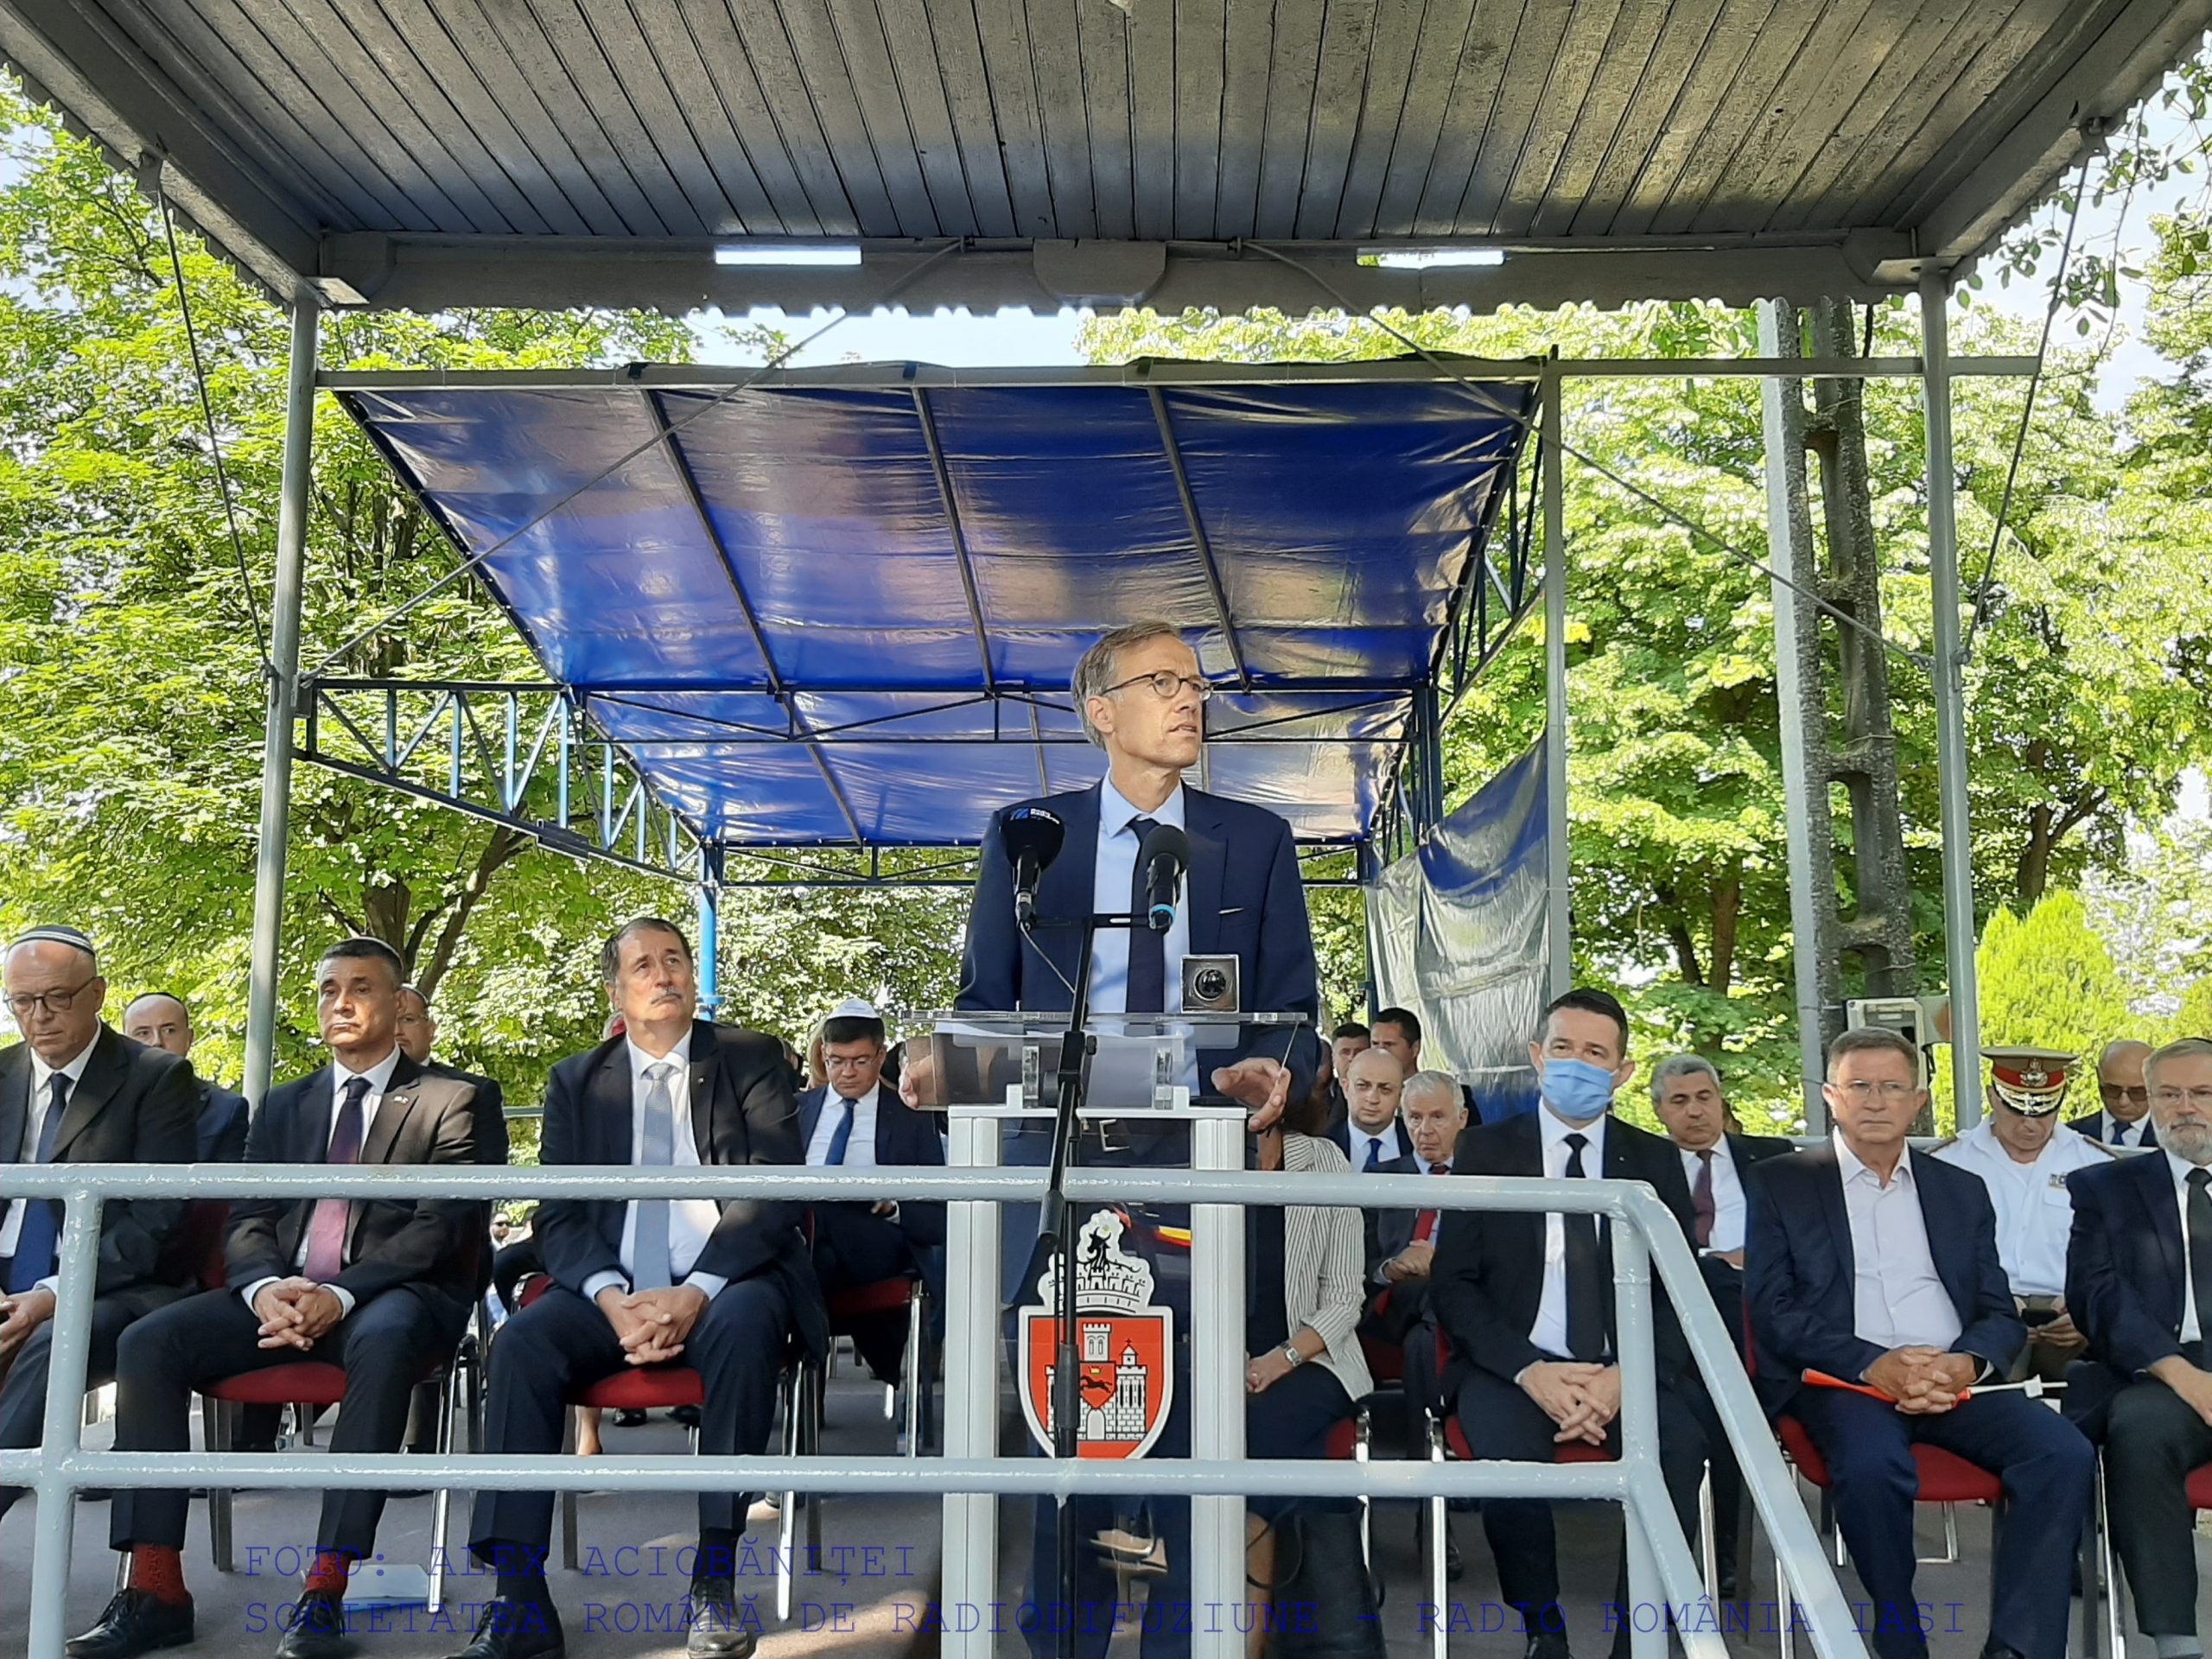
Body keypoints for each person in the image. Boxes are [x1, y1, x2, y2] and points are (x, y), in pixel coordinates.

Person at [950, 620, 1321, 1659]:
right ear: (1101, 712)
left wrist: (1273, 1069)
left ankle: (1184, 1641)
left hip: (1198, 1168)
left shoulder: (1255, 840)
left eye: (1197, 684)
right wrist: (953, 1066)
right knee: (1061, 1415)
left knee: (1196, 1416)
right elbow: (982, 1007)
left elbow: (1293, 1011)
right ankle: (1060, 1639)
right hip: (1060, 1166)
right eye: (1163, 682)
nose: (1191, 699)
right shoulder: (1030, 838)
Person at [76, 936, 499, 1659]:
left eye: (361, 988)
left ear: (399, 1003)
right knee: (148, 1341)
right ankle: (155, 1589)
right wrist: (266, 1288)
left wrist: (339, 1294)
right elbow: (250, 1215)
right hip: (283, 1295)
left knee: (385, 1338)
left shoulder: (456, 1098)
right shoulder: (283, 1104)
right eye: (330, 989)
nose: (342, 1003)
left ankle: (325, 1591)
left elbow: (440, 1227)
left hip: (394, 1295)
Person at [459, 918, 826, 1659]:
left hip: (726, 1280)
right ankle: (519, 1599)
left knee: (750, 1322)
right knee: (522, 1343)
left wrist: (697, 1290)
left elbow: (775, 1191)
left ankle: (714, 1578)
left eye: (675, 960)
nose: (664, 975)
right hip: (612, 1293)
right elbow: (559, 1213)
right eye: (643, 966)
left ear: (693, 976)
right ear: (615, 991)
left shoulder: (749, 1058)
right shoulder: (576, 1080)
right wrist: (609, 1298)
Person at [1745, 1026, 2094, 1659]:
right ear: (1830, 1096)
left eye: (1892, 1087)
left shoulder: (1958, 1188)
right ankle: (1899, 1630)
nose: (1876, 1100)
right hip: (1844, 1379)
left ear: (1920, 1100)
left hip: (1952, 1379)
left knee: (2061, 1452)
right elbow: (1773, 1311)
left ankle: (2019, 1647)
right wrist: (1874, 1364)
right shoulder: (1782, 1183)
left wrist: (1966, 1363)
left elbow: (1996, 1310)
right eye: (1859, 1086)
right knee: (1872, 1466)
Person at [1429, 989, 1707, 1659]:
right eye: (1563, 1048)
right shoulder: (1485, 1151)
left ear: (1623, 1071)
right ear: (1537, 1055)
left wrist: (1624, 1376)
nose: (1577, 1064)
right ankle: (1543, 1630)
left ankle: (1637, 1636)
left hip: (1625, 1368)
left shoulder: (1655, 1160)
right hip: (1514, 1365)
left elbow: (1679, 1292)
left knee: (1679, 1448)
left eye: (1595, 1052)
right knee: (1507, 1468)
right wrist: (1530, 1371)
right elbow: (1454, 1286)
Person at [0, 928, 198, 1526]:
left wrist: (51, 1295)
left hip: (111, 1286)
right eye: (22, 1002)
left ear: (97, 994)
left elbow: (155, 1222)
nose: (39, 1017)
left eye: (57, 998)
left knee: (52, 1341)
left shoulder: (157, 1078)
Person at [2064, 1036, 2212, 1659]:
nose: (2185, 1107)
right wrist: (2181, 1374)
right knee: (2140, 1432)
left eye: (2202, 1093)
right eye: (2169, 1094)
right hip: (2159, 1375)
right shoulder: (2106, 1189)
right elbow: (2097, 1296)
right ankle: (2177, 1643)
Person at [1647, 1052, 1790, 1600]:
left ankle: (1724, 1548)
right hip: (1676, 1316)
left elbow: (1805, 1243)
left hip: (1758, 1312)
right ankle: (1720, 1548)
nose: (1695, 1111)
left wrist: (1755, 1262)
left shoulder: (1773, 1160)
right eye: (1680, 1101)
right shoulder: (1643, 1168)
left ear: (1721, 1101)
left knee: (1722, 1401)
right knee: (1723, 1406)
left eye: (1704, 1098)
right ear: (1660, 1112)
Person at [1243, 1082, 1377, 1656]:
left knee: (1255, 1436)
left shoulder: (1324, 1160)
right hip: (1215, 1360)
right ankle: (1330, 1632)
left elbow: (1346, 1298)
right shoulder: (1192, 1158)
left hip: (1316, 1356)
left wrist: (1280, 1359)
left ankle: (1249, 1640)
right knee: (1252, 1441)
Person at [1932, 1047, 2110, 1382]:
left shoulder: (2096, 1163)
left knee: (2090, 1383)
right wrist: (1986, 1302)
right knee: (1992, 1383)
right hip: (1982, 1311)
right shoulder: (1948, 1163)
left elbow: (2120, 1253)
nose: (2030, 1123)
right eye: (2016, 1109)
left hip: (2070, 1310)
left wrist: (2087, 1307)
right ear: (1992, 1097)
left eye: (2043, 1111)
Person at [795, 997, 944, 1381]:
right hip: (807, 1242)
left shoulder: (910, 1118)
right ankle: (826, 1356)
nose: (847, 1073)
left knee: (811, 1227)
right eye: (836, 1061)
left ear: (880, 1056)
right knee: (813, 1248)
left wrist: (894, 1208)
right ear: (823, 1055)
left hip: (879, 1241)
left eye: (860, 1061)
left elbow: (938, 1216)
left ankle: (798, 1361)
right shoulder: (795, 1111)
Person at [1360, 1069, 1466, 1576]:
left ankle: (1434, 1517)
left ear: (1462, 1119)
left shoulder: (1490, 1177)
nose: (1425, 1130)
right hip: (1394, 1306)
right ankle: (1433, 1516)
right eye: (1415, 1118)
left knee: (1426, 1341)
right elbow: (1355, 1263)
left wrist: (1443, 1266)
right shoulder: (1381, 1178)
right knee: (1425, 1305)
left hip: (1457, 1314)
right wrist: (1392, 1266)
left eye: (1438, 1117)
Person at [121, 992, 248, 1164]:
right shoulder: (101, 1103)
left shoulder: (226, 1110)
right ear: (124, 1042)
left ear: (189, 1038)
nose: (157, 1042)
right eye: (143, 1033)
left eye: (169, 1031)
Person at [1370, 1007, 1482, 1124]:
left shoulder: (1452, 1096)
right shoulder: (1362, 1098)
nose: (1380, 1051)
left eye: (1389, 1044)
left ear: (1415, 1049)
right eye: (1375, 1043)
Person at [1330, 1045, 1412, 1170]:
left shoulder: (1418, 1144)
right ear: (1346, 1088)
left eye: (1385, 1089)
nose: (1373, 1099)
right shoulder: (1324, 1144)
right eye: (1362, 1086)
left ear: (1401, 1095)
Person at [2073, 1039, 2158, 1147]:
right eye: (2113, 1090)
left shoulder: (2174, 1140)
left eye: (2137, 1093)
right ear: (2099, 1078)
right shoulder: (2071, 1135)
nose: (2123, 1102)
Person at [1325, 1020, 1370, 1136]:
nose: (1352, 1058)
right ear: (1333, 1059)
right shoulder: (1319, 1100)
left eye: (1359, 1052)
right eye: (1345, 1052)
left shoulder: (1384, 1096)